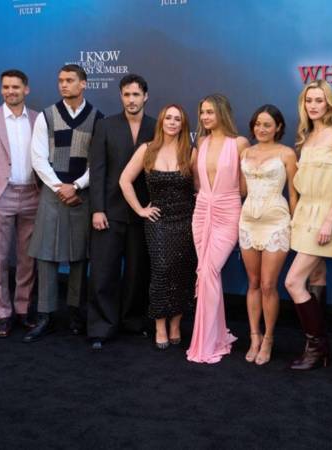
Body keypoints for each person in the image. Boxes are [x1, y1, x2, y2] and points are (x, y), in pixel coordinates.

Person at [24, 64, 103, 342]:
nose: (63, 85)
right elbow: (37, 157)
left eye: (69, 80)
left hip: (81, 195)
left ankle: (75, 313)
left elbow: (98, 163)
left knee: (80, 256)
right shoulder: (46, 116)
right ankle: (45, 316)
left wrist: (77, 186)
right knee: (46, 255)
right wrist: (60, 187)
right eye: (60, 80)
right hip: (52, 193)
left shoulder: (97, 118)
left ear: (83, 84)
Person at [284, 80, 332, 370]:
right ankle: (318, 347)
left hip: (325, 214)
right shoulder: (306, 137)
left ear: (329, 104)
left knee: (292, 282)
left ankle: (317, 345)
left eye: (319, 100)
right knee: (316, 276)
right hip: (304, 213)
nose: (313, 105)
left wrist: (329, 220)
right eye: (309, 100)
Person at [87, 74, 156, 350]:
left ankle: (133, 322)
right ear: (121, 96)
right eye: (126, 95)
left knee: (138, 273)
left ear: (145, 96)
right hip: (110, 211)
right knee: (103, 272)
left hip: (143, 212)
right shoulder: (105, 126)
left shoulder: (157, 127)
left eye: (136, 94)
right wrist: (97, 209)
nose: (131, 100)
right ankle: (101, 327)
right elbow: (98, 171)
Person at [120, 104, 197, 350]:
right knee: (162, 271)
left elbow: (198, 189)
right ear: (161, 121)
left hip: (186, 221)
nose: (172, 122)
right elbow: (124, 180)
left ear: (183, 125)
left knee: (183, 272)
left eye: (177, 119)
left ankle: (176, 324)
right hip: (158, 222)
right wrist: (140, 210)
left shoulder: (190, 152)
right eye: (168, 118)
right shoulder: (147, 149)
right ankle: (160, 325)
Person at [0, 69, 39, 337]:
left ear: (26, 89)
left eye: (15, 87)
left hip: (33, 195)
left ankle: (22, 309)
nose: (10, 91)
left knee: (28, 258)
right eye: (5, 87)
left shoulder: (38, 119)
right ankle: (2, 314)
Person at [187, 93, 249, 363]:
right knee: (205, 272)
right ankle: (215, 336)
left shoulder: (240, 143)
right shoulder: (201, 142)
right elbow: (197, 182)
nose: (204, 117)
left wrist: (224, 199)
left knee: (209, 271)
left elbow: (244, 187)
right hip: (202, 211)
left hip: (227, 211)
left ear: (222, 113)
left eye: (210, 112)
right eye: (202, 112)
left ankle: (207, 341)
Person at [239, 104, 297, 365]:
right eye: (257, 124)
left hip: (276, 222)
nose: (261, 129)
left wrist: (295, 225)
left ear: (278, 127)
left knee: (268, 285)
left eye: (267, 125)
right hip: (247, 221)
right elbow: (241, 189)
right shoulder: (245, 152)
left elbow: (293, 195)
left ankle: (269, 338)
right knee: (252, 283)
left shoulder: (287, 153)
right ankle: (254, 336)